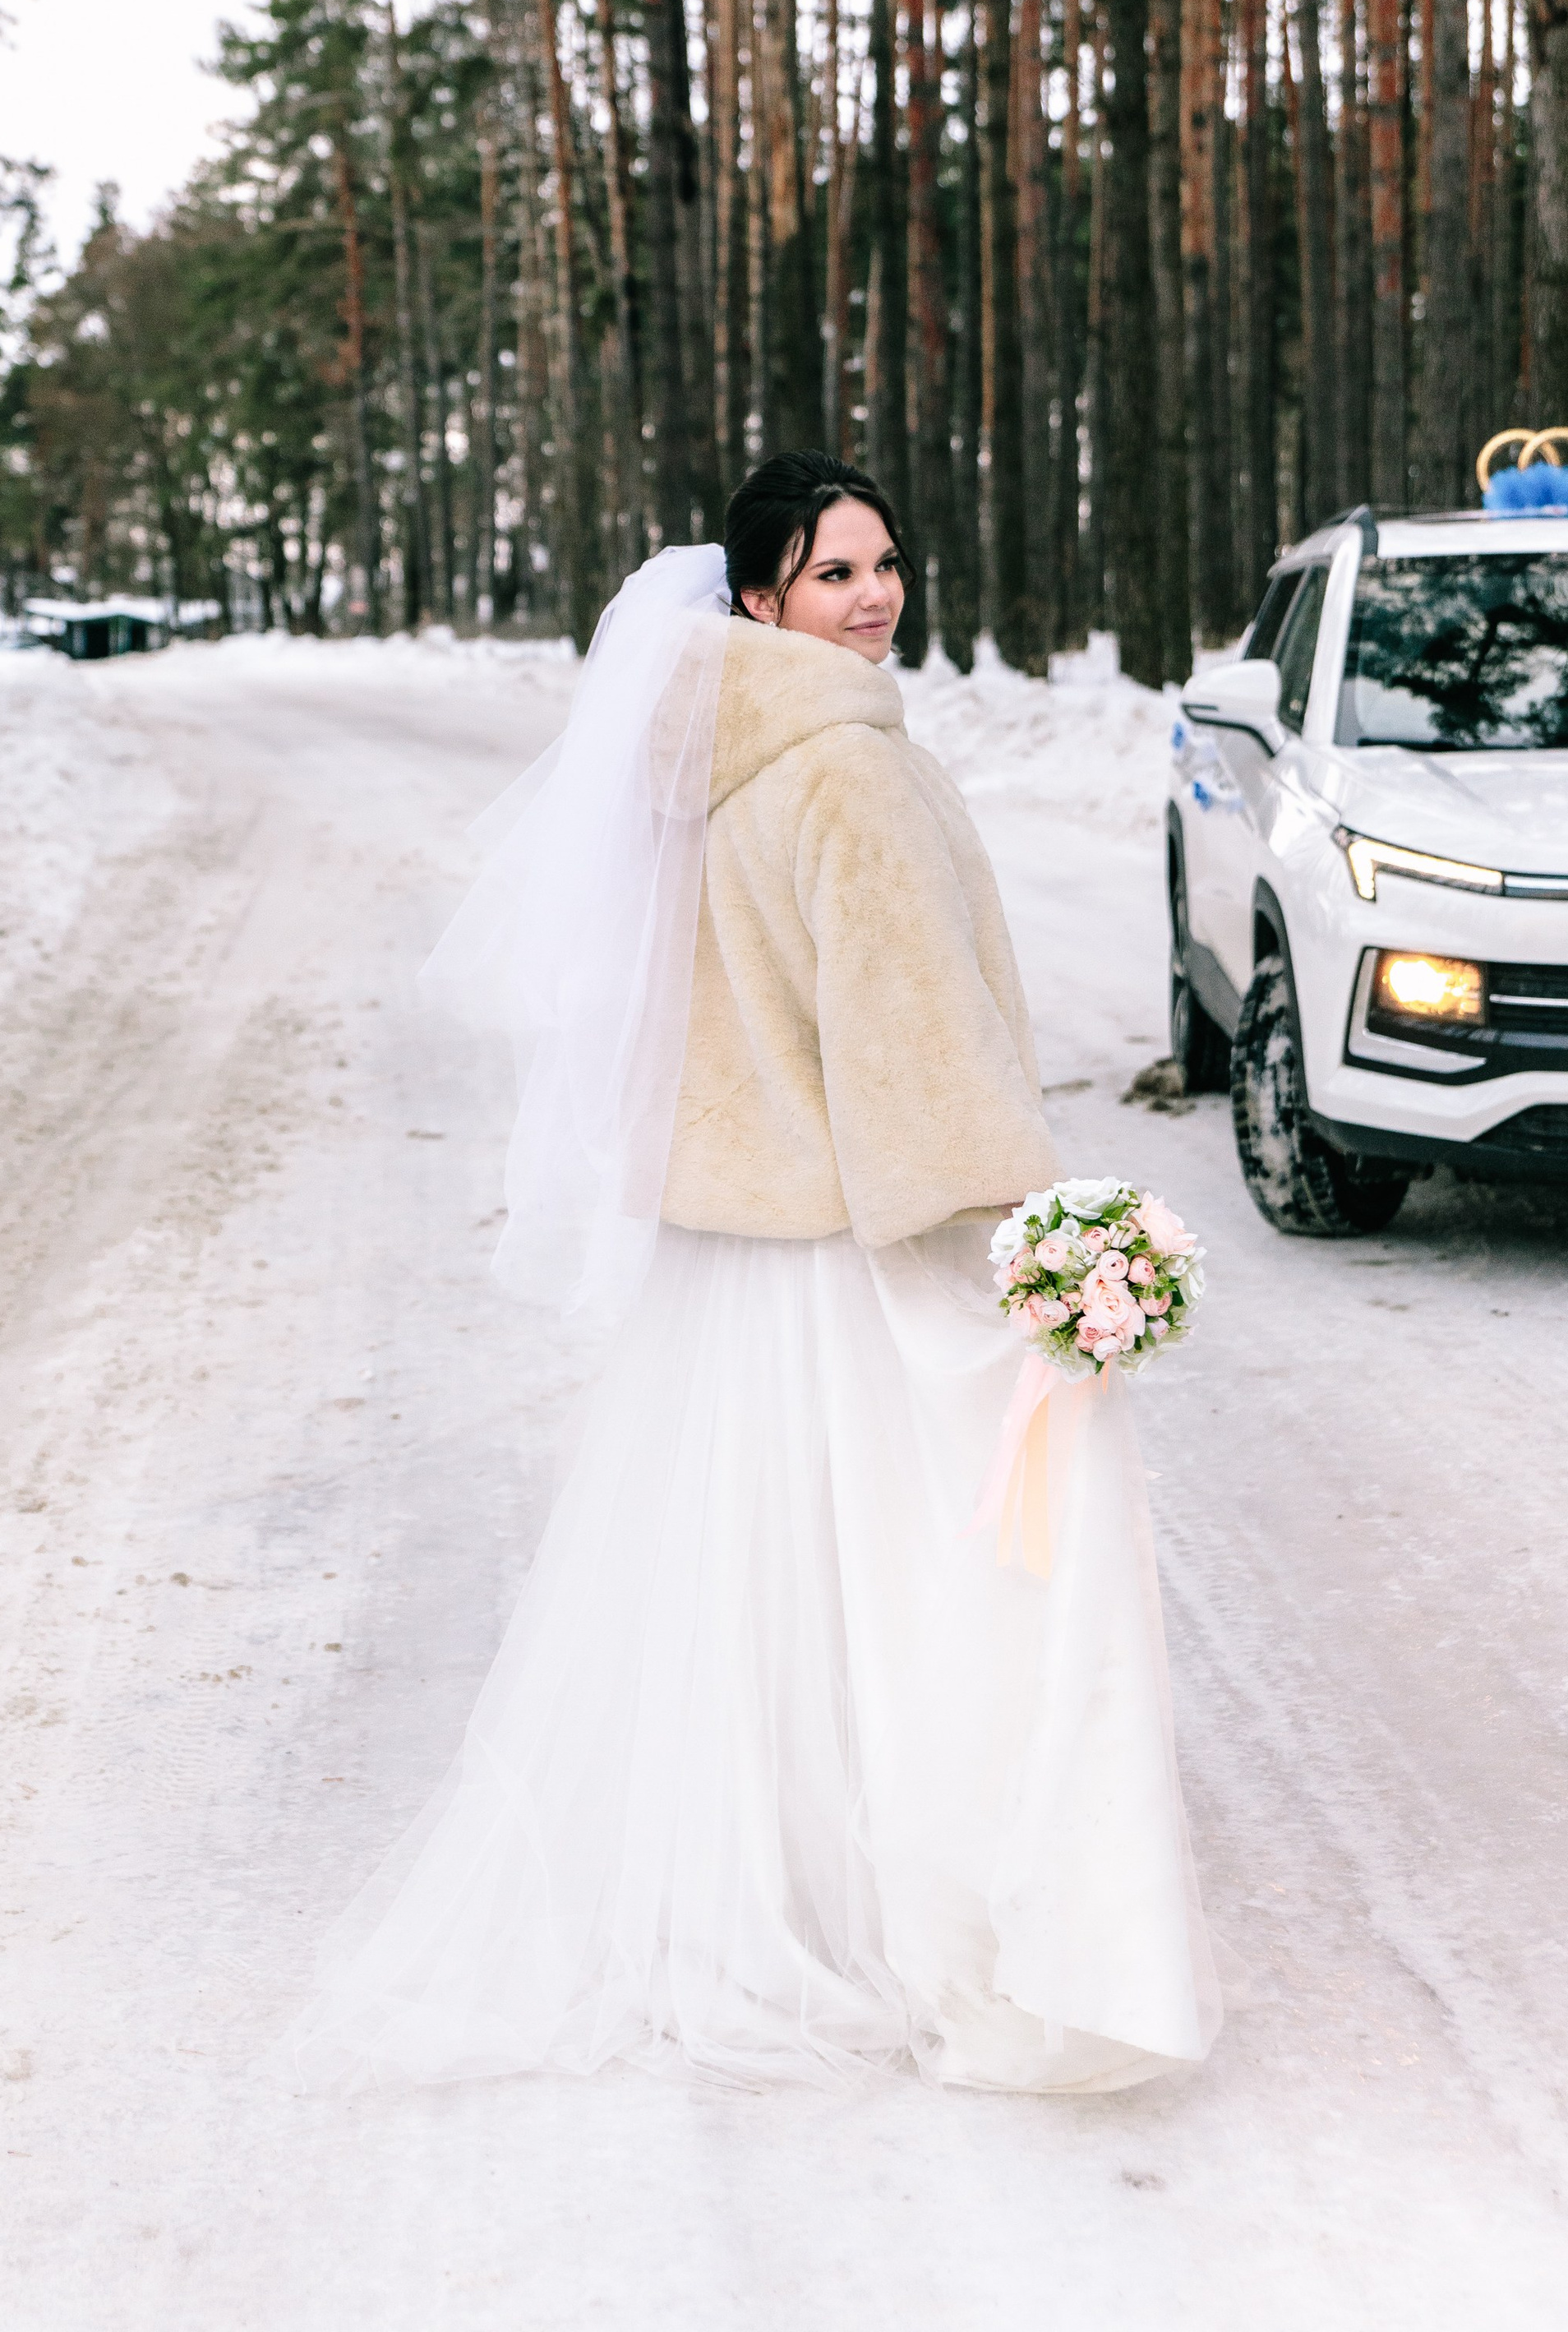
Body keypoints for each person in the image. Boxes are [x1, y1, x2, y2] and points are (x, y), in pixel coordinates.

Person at [288, 450, 1221, 2094]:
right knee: (917, 1584)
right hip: (852, 1249)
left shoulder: (699, 757)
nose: (871, 595)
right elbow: (901, 1038)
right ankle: (898, 1906)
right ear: (756, 600)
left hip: (733, 1252)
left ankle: (751, 1896)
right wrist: (1030, 1237)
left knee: (751, 1592)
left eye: (881, 561)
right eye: (830, 572)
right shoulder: (843, 766)